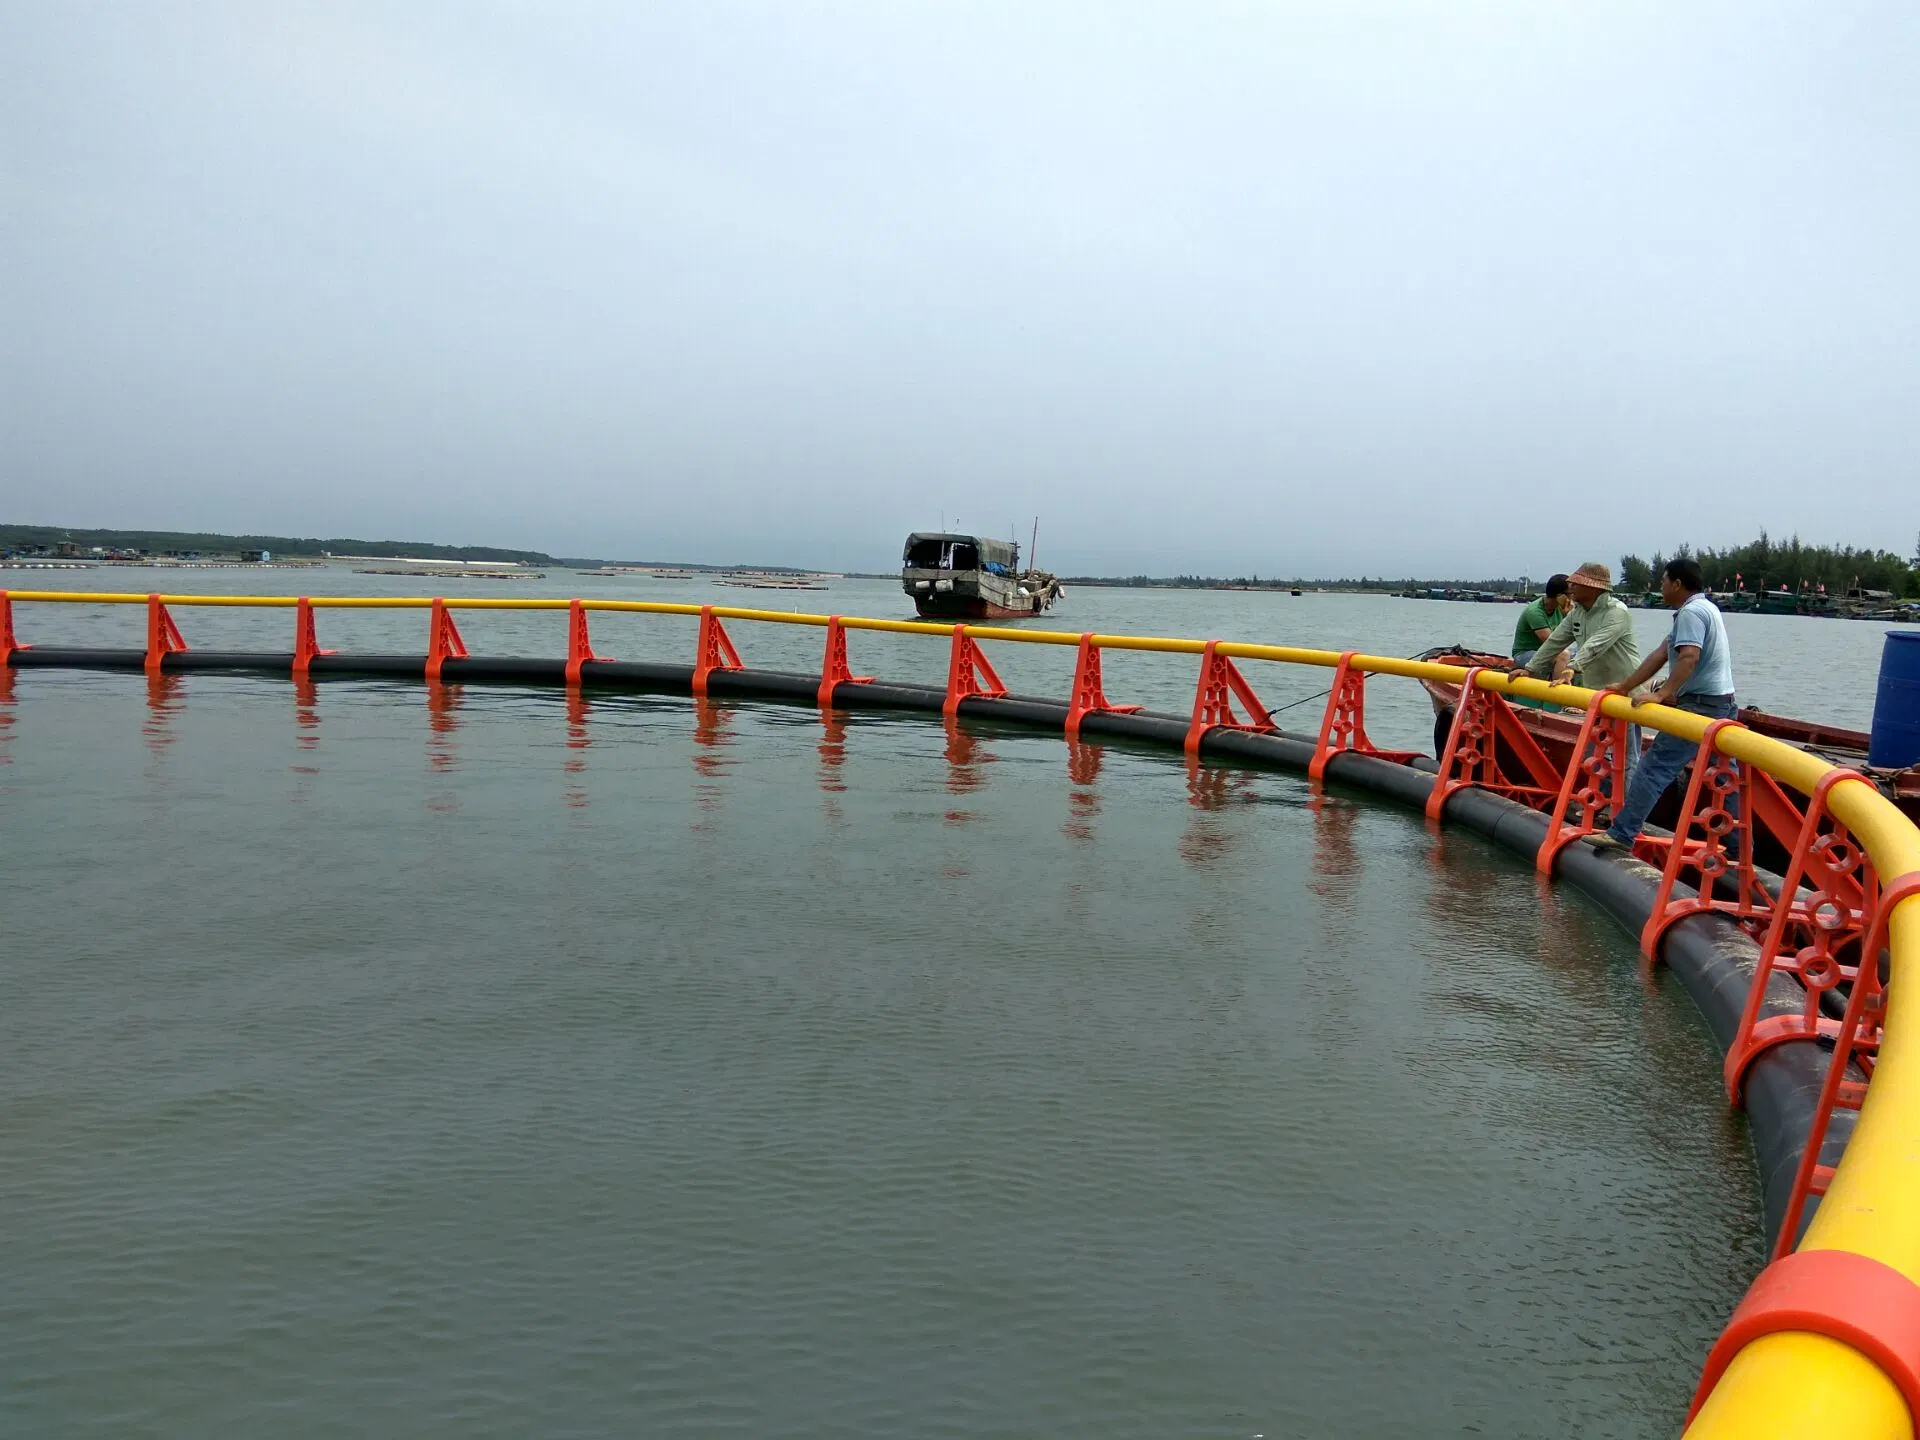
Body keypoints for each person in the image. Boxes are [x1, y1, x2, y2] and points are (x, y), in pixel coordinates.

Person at [1591, 556, 1736, 849]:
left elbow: (1689, 657)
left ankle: (1622, 834)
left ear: (1677, 583)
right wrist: (1625, 686)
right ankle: (1737, 849)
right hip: (1723, 703)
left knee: (1654, 768)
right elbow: (1660, 654)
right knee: (1726, 779)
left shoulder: (1690, 614)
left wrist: (1660, 694)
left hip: (1700, 706)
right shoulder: (1705, 607)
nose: (1661, 586)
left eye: (1663, 581)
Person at [1507, 562, 1640, 692]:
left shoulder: (1616, 612)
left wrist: (1572, 668)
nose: (1570, 587)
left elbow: (1596, 645)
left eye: (1576, 584)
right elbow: (1555, 641)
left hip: (1624, 687)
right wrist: (1530, 669)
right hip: (1594, 690)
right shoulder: (1577, 613)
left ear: (1594, 588)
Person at [1512, 574, 1571, 670]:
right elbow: (1552, 644)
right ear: (1560, 596)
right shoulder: (1535, 612)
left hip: (1547, 652)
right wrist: (1569, 619)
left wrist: (1569, 616)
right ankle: (1557, 684)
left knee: (1591, 652)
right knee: (1563, 655)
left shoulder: (1561, 608)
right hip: (1525, 654)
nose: (1572, 597)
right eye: (1570, 594)